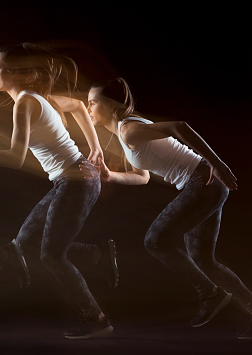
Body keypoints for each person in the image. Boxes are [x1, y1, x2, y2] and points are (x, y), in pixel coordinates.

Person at [0, 42, 115, 339]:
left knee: (51, 255)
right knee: (24, 242)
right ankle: (99, 252)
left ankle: (96, 318)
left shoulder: (25, 102)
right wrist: (95, 147)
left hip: (77, 180)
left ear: (18, 74)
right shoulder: (37, 97)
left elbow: (16, 157)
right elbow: (77, 106)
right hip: (70, 180)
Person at [86, 78, 252, 335]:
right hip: (205, 184)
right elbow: (143, 177)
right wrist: (109, 177)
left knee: (155, 240)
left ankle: (210, 294)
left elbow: (179, 126)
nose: (88, 109)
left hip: (202, 181)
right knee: (204, 260)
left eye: (92, 103)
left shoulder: (129, 130)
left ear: (109, 105)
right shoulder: (126, 133)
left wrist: (217, 163)